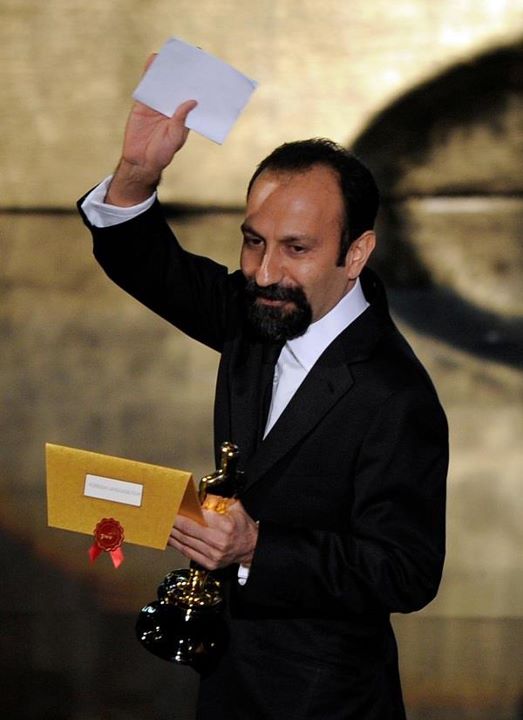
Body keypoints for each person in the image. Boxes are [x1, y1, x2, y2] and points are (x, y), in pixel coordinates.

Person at [79, 90, 448, 720]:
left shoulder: (395, 394)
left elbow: (406, 571)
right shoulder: (255, 314)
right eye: (254, 241)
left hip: (327, 704)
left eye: (296, 249)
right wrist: (137, 173)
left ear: (356, 253)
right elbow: (149, 264)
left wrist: (256, 548)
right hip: (226, 681)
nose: (265, 271)